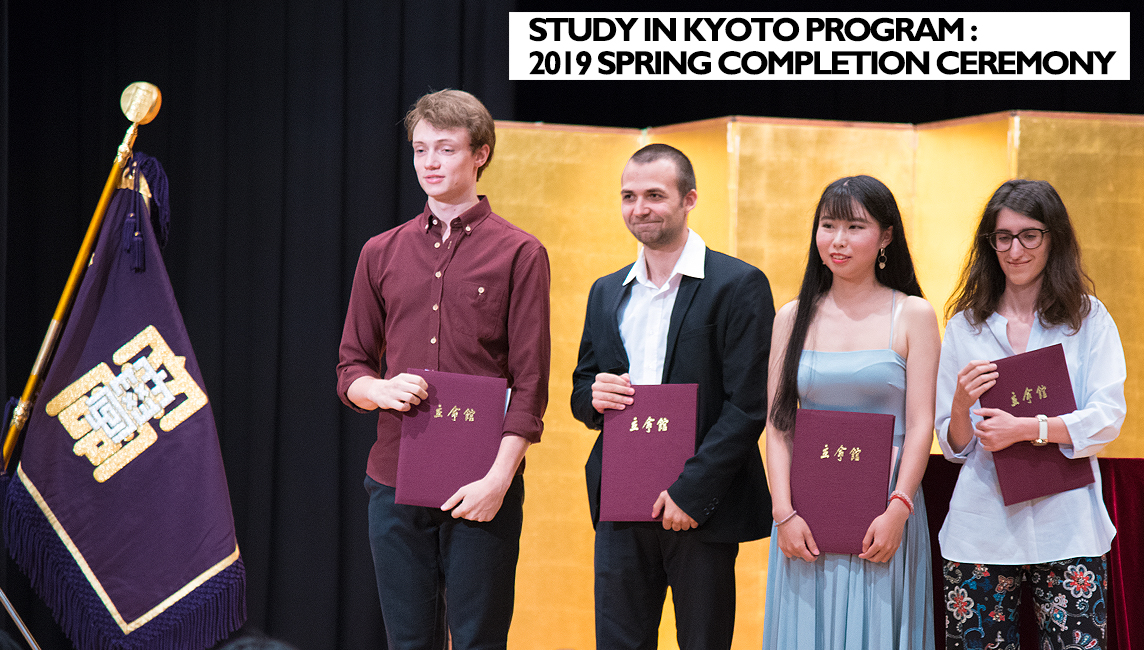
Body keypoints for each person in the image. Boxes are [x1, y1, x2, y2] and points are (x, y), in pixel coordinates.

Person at [336, 89, 550, 650]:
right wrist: (378, 389)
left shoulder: (519, 252)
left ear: (480, 154)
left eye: (446, 149)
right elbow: (350, 367)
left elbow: (530, 385)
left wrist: (499, 481)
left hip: (482, 481)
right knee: (409, 641)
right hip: (393, 478)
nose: (429, 163)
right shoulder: (380, 252)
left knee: (479, 639)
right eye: (420, 149)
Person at [571, 143, 775, 650]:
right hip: (622, 497)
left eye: (654, 195)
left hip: (702, 505)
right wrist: (592, 396)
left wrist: (691, 492)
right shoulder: (606, 290)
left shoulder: (738, 284)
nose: (639, 208)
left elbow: (750, 404)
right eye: (628, 196)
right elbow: (581, 388)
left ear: (689, 200)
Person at [936, 179, 1124, 650]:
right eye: (1003, 237)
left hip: (1069, 526)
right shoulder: (965, 325)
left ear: (1052, 238)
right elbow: (953, 446)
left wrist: (1029, 428)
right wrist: (961, 406)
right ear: (990, 244)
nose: (1015, 249)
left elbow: (1108, 417)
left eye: (1029, 235)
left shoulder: (1087, 318)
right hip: (982, 528)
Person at [762, 175, 939, 649]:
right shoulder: (791, 316)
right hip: (805, 515)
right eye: (827, 225)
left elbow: (922, 424)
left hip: (884, 509)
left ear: (886, 236)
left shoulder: (913, 314)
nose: (837, 241)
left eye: (855, 227)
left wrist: (899, 507)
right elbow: (778, 425)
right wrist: (783, 514)